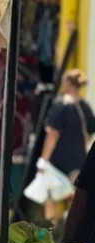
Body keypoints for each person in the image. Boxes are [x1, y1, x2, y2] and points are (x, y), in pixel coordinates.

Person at [40, 69, 95, 221]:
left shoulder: (60, 104)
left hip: (58, 160)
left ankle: (51, 233)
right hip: (78, 160)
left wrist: (44, 159)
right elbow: (89, 135)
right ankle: (72, 237)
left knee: (51, 199)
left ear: (68, 83)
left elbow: (52, 135)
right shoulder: (85, 107)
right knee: (74, 201)